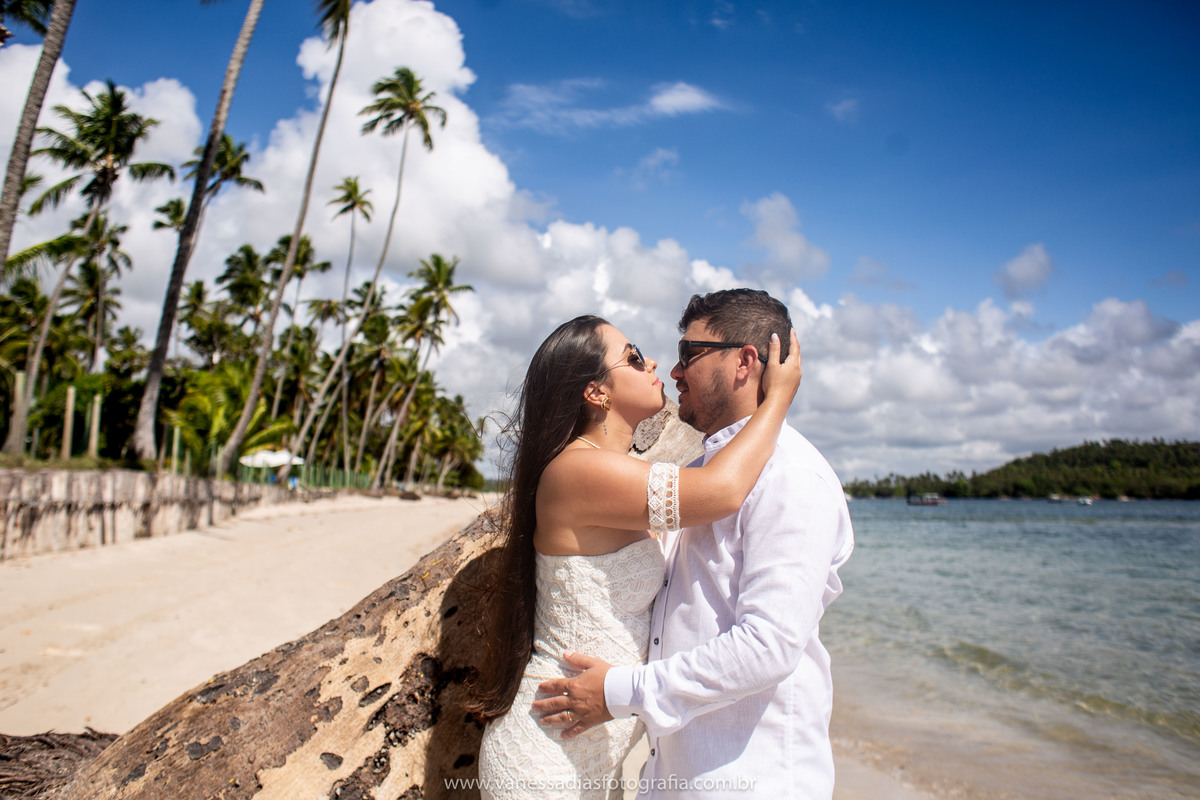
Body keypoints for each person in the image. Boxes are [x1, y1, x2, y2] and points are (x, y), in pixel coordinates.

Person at [533, 289, 855, 799]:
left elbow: (769, 645)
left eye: (689, 353)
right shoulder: (698, 478)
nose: (673, 369)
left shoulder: (792, 475)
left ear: (745, 362)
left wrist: (620, 692)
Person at [471, 313, 802, 799]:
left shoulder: (618, 474)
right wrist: (778, 399)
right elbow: (722, 490)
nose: (653, 362)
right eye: (631, 356)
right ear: (596, 392)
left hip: (594, 753)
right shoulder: (576, 471)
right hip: (543, 753)